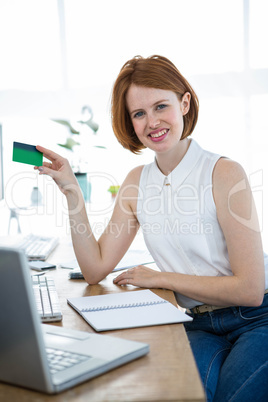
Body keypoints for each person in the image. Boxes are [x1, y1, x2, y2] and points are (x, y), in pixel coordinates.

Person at [35, 55, 268, 401]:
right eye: (139, 113)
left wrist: (160, 277)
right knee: (183, 393)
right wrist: (71, 191)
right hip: (199, 323)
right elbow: (95, 268)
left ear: (184, 102)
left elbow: (250, 289)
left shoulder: (224, 173)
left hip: (257, 318)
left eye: (161, 106)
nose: (152, 122)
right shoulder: (136, 183)